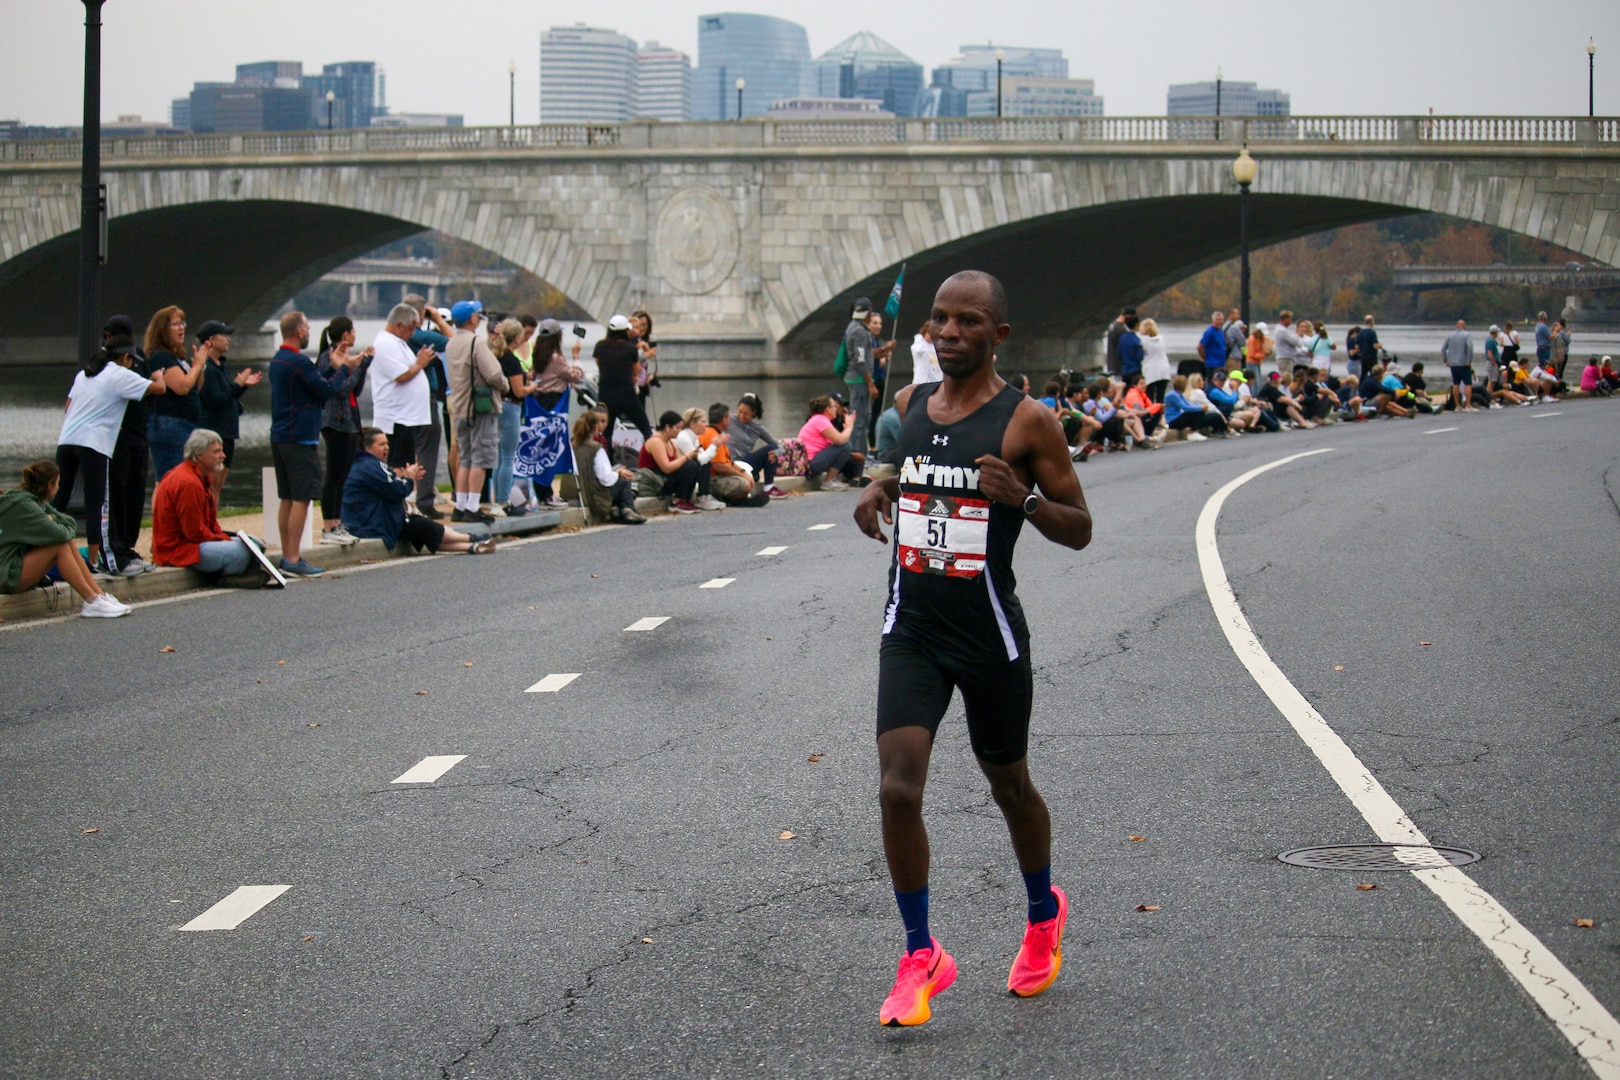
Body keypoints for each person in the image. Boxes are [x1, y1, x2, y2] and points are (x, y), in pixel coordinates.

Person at [852, 270, 1092, 1027]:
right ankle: (921, 955)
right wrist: (876, 487)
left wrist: (1018, 498)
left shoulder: (1029, 423)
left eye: (966, 322)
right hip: (912, 628)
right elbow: (898, 462)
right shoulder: (906, 405)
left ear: (998, 335)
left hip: (987, 634)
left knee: (1010, 787)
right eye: (939, 320)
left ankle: (1042, 912)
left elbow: (1079, 527)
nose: (948, 332)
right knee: (898, 788)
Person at [52, 333, 167, 576]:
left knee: (58, 501)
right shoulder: (120, 374)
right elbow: (158, 389)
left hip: (67, 440)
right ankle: (103, 561)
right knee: (97, 504)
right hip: (94, 444)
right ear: (124, 357)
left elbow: (68, 407)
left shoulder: (85, 374)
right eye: (130, 359)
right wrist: (158, 377)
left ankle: (45, 553)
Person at [268, 310, 361, 577]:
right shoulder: (299, 362)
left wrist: (333, 366)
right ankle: (294, 558)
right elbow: (325, 391)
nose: (310, 331)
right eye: (307, 327)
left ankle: (288, 554)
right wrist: (344, 367)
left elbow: (314, 385)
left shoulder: (279, 360)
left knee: (287, 497)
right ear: (299, 332)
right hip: (300, 436)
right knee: (302, 498)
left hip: (281, 434)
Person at [0, 461, 131, 616]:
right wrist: (55, 522)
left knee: (66, 542)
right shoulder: (25, 506)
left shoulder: (33, 501)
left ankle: (98, 596)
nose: (58, 488)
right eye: (58, 484)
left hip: (12, 568)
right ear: (50, 485)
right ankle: (92, 600)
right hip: (6, 574)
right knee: (60, 546)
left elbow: (69, 522)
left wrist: (53, 520)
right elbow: (61, 533)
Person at [342, 427, 495, 555]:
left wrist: (404, 477)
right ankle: (470, 538)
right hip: (372, 523)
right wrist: (408, 478)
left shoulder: (357, 464)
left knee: (423, 532)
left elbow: (386, 487)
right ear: (367, 448)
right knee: (422, 525)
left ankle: (471, 546)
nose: (386, 448)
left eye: (387, 443)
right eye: (381, 444)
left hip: (361, 521)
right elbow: (397, 491)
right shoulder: (372, 466)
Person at [150, 428, 256, 577]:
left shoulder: (197, 476)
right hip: (178, 549)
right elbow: (194, 533)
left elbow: (208, 525)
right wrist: (222, 539)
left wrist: (221, 537)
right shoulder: (189, 483)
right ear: (199, 455)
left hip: (192, 543)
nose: (223, 456)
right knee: (240, 553)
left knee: (254, 543)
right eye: (216, 452)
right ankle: (227, 578)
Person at [370, 303, 440, 514]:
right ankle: (394, 504)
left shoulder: (398, 342)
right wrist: (420, 363)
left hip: (407, 416)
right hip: (396, 416)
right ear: (399, 325)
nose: (412, 334)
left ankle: (401, 503)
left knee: (405, 462)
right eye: (410, 329)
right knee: (398, 464)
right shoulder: (385, 343)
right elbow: (401, 376)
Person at [445, 300, 507, 524]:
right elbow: (493, 374)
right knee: (481, 458)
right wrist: (505, 385)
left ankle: (460, 505)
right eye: (477, 316)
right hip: (480, 407)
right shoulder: (476, 342)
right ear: (472, 319)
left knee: (466, 457)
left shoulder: (451, 343)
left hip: (460, 406)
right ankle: (473, 506)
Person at [103, 315, 156, 575]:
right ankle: (116, 547)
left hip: (138, 434)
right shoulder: (104, 365)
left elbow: (148, 392)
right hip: (118, 437)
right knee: (118, 493)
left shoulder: (139, 360)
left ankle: (129, 545)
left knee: (135, 493)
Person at [316, 317, 371, 545]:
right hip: (335, 422)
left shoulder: (346, 358)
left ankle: (338, 523)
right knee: (334, 475)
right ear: (346, 334)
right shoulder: (328, 358)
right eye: (353, 331)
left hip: (350, 421)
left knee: (343, 475)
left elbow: (355, 390)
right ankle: (329, 525)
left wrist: (361, 366)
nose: (355, 334)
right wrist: (359, 366)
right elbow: (339, 388)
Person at [195, 320, 260, 512]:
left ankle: (212, 524)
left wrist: (243, 385)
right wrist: (237, 384)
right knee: (210, 484)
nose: (228, 339)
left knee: (218, 485)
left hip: (228, 432)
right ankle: (207, 526)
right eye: (224, 335)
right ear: (212, 340)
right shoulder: (207, 368)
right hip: (216, 432)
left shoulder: (220, 366)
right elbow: (215, 400)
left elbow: (229, 398)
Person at [403, 294, 454, 519]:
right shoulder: (418, 335)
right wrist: (438, 319)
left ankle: (409, 495)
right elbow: (455, 341)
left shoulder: (400, 336)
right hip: (424, 397)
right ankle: (425, 499)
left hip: (405, 397)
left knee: (408, 447)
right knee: (428, 445)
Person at [144, 305, 207, 481]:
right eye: (175, 324)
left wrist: (200, 367)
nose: (181, 328)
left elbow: (195, 388)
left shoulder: (177, 358)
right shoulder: (161, 357)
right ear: (162, 330)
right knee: (170, 480)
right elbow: (182, 387)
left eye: (182, 323)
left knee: (184, 478)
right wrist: (196, 366)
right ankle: (164, 510)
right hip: (170, 426)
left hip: (185, 424)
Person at [489, 317, 534, 518]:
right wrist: (532, 386)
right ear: (516, 338)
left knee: (498, 457)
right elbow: (519, 391)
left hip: (495, 406)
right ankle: (503, 500)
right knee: (508, 457)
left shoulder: (494, 355)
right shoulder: (512, 361)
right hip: (510, 408)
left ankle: (496, 500)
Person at [571, 411, 645, 523]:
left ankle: (615, 509)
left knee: (616, 481)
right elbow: (606, 479)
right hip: (591, 496)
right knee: (623, 484)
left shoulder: (572, 446)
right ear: (595, 427)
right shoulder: (596, 448)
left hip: (574, 494)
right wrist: (617, 473)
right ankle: (628, 509)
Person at [641, 410, 714, 514]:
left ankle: (685, 499)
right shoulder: (656, 441)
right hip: (655, 480)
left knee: (695, 464)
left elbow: (680, 465)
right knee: (690, 464)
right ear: (667, 427)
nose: (679, 431)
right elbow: (666, 468)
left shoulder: (671, 442)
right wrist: (686, 456)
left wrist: (691, 457)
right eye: (677, 428)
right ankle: (677, 500)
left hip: (665, 478)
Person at [595, 314, 652, 443]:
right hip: (626, 393)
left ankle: (606, 459)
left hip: (605, 393)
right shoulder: (629, 348)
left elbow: (598, 362)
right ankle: (651, 454)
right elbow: (636, 370)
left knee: (606, 433)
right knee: (645, 428)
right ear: (624, 331)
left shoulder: (600, 346)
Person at [727, 393, 787, 498]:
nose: (741, 416)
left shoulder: (757, 428)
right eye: (740, 412)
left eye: (746, 414)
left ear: (753, 413)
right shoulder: (729, 420)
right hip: (729, 462)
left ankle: (768, 487)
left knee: (772, 449)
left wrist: (777, 453)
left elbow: (781, 447)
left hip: (744, 462)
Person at [799, 394, 863, 490]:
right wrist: (849, 427)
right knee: (845, 446)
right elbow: (840, 440)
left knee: (851, 454)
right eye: (834, 407)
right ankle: (828, 481)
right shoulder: (820, 420)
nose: (836, 410)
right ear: (827, 410)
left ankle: (852, 478)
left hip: (815, 460)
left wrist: (846, 430)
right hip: (811, 463)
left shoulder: (820, 419)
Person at [701, 403, 760, 505]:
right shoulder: (712, 435)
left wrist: (743, 472)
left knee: (749, 476)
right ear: (724, 419)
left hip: (719, 475)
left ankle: (732, 497)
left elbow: (729, 462)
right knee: (744, 484)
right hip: (713, 479)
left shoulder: (716, 433)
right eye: (728, 417)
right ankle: (729, 498)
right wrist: (742, 476)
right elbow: (719, 466)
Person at [674, 407, 727, 511]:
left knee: (704, 462)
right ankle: (691, 497)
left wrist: (715, 445)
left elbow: (704, 457)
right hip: (678, 471)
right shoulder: (683, 437)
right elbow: (701, 460)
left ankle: (704, 495)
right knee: (696, 463)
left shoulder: (694, 438)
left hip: (685, 469)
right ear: (692, 424)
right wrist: (713, 446)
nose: (706, 425)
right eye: (703, 422)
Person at [1163, 374, 1224, 440]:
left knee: (1199, 412)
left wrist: (1200, 408)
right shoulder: (1173, 395)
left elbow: (1188, 404)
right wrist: (1200, 408)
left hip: (1177, 416)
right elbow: (1185, 407)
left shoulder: (1179, 394)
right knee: (1198, 413)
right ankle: (1192, 432)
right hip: (1173, 420)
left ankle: (1194, 431)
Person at [867, 311, 894, 450]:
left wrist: (884, 356)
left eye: (880, 323)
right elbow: (869, 358)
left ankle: (874, 444)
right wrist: (885, 349)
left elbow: (877, 362)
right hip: (872, 380)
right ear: (867, 323)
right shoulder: (867, 339)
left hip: (879, 378)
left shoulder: (875, 339)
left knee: (876, 413)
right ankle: (871, 446)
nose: (878, 326)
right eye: (875, 323)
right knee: (870, 414)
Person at [1441, 320, 1476, 412]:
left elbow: (1443, 349)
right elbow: (1470, 347)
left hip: (1453, 364)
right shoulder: (1467, 335)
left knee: (1456, 384)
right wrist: (1469, 360)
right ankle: (1468, 405)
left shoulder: (1450, 335)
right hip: (1463, 363)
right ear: (1464, 326)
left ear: (1457, 326)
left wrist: (1445, 360)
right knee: (1468, 384)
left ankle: (1458, 406)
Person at [1138, 317, 1173, 402]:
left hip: (1151, 371)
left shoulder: (1143, 340)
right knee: (1160, 397)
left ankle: (1151, 414)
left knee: (1149, 397)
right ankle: (1159, 413)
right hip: (1164, 369)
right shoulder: (1161, 338)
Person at [1197, 310, 1228, 377]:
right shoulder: (1209, 332)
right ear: (1213, 320)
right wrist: (1205, 358)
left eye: (1221, 320)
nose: (1219, 322)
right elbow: (1200, 346)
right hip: (1212, 364)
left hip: (1221, 364)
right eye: (1217, 320)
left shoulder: (1220, 331)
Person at [1104, 307, 1133, 377]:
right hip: (1120, 366)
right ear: (1128, 316)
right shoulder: (1122, 330)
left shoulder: (1112, 325)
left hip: (1111, 365)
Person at [1117, 314, 1144, 383]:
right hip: (1135, 371)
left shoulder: (1122, 338)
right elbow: (1140, 357)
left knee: (1126, 392)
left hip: (1125, 371)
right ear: (1137, 325)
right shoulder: (1137, 340)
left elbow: (1119, 354)